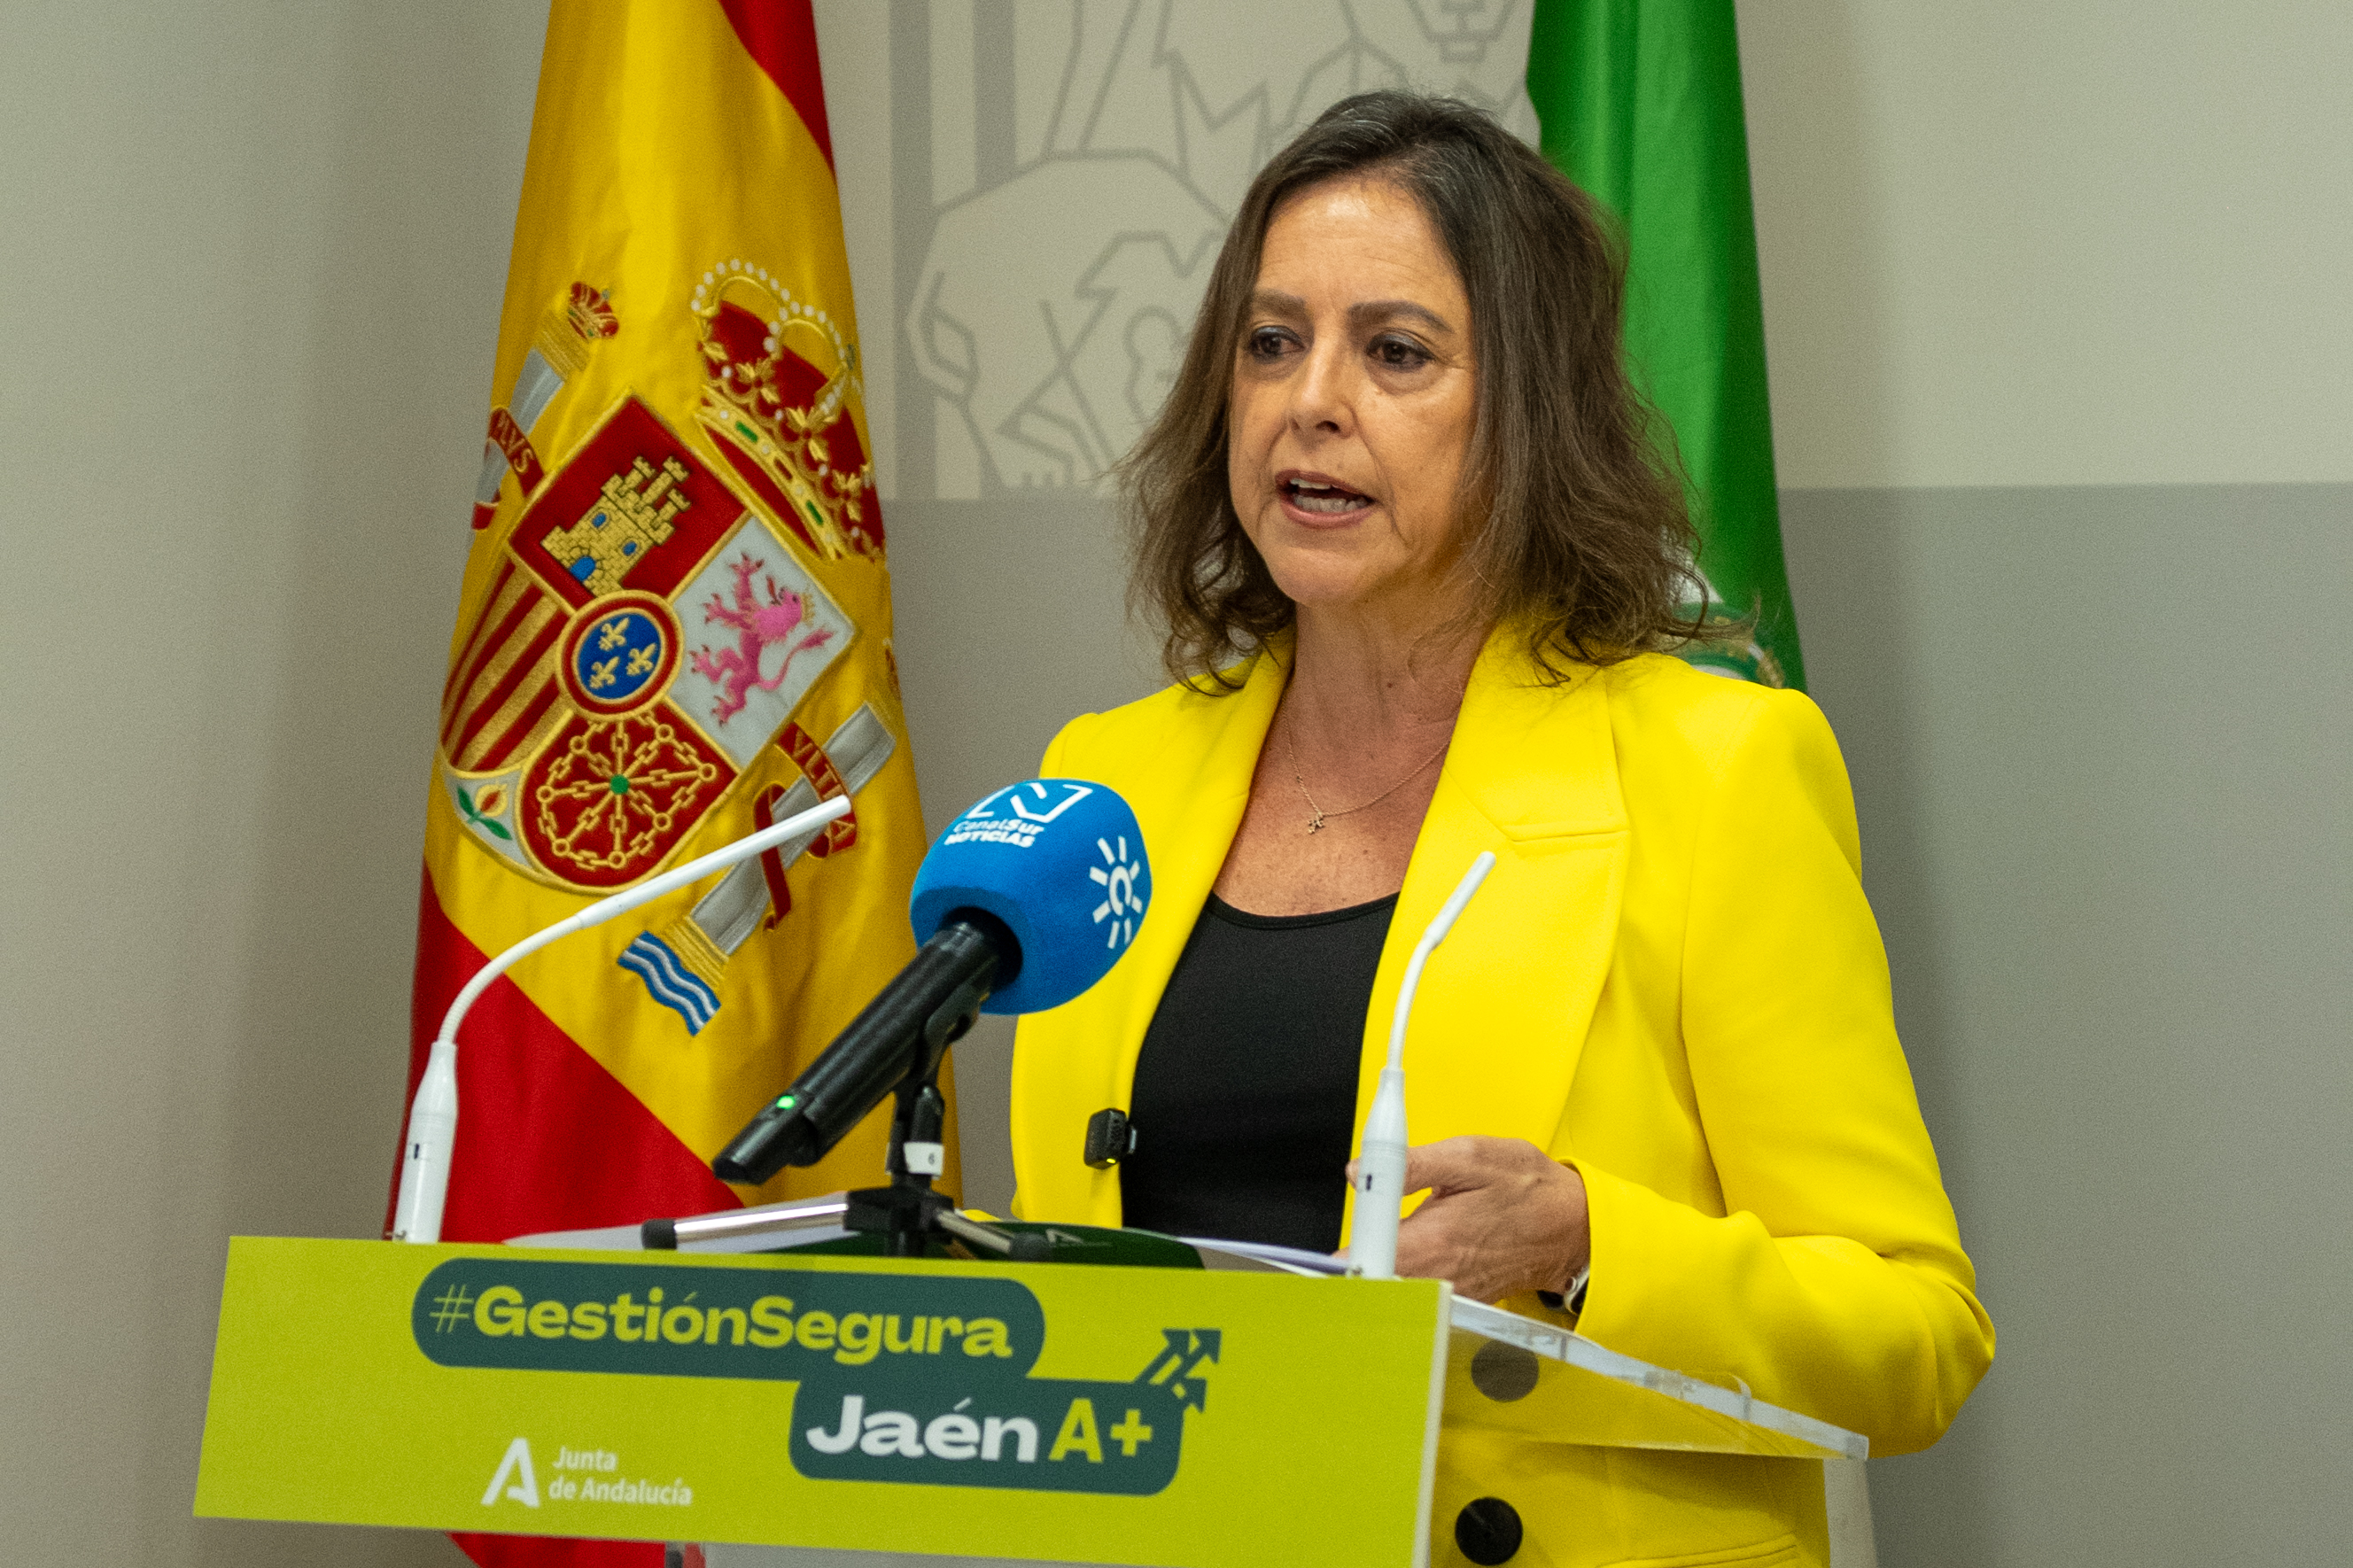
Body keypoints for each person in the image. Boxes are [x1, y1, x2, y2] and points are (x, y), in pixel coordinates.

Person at [1007, 90, 1992, 1566]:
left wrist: (1587, 1244)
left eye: (1395, 351)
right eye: (1271, 342)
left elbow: (1917, 1332)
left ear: (1527, 411)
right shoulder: (1103, 783)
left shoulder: (1712, 769)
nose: (1310, 400)